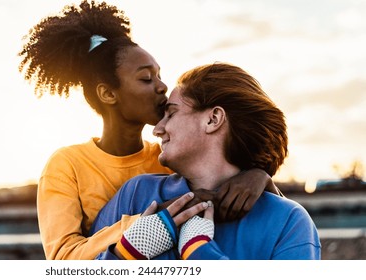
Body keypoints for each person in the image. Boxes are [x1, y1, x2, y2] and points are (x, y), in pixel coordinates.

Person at [18, 0, 281, 260]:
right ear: (108, 93)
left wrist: (259, 176)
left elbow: (229, 197)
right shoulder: (67, 165)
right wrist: (149, 224)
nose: (162, 87)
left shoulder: (171, 159)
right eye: (146, 78)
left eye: (159, 75)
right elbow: (62, 259)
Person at [90, 63, 321, 260]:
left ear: (213, 119)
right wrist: (125, 253)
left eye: (171, 113)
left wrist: (199, 251)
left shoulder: (288, 222)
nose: (157, 129)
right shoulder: (136, 193)